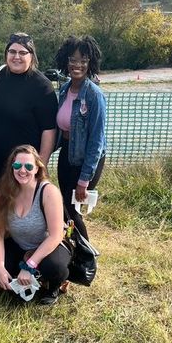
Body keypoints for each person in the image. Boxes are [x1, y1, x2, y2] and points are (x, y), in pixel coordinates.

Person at [0, 145, 71, 306]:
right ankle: (23, 279)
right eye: (17, 165)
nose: (22, 170)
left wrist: (29, 266)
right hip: (20, 244)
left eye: (28, 166)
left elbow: (56, 235)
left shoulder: (48, 191)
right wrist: (0, 267)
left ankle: (54, 285)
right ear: (11, 167)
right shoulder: (3, 193)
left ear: (37, 168)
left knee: (54, 268)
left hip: (48, 246)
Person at [0, 33, 58, 190]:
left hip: (20, 169)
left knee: (19, 212)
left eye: (23, 52)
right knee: (2, 210)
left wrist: (39, 167)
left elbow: (49, 131)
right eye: (12, 51)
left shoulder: (42, 87)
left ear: (32, 56)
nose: (16, 57)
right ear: (6, 53)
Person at [55, 35, 107, 239]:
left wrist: (84, 179)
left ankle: (87, 256)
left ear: (90, 63)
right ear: (65, 61)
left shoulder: (94, 95)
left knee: (74, 209)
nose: (77, 65)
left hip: (86, 159)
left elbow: (97, 141)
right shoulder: (64, 89)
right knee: (65, 207)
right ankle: (72, 249)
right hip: (67, 155)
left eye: (83, 60)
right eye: (72, 60)